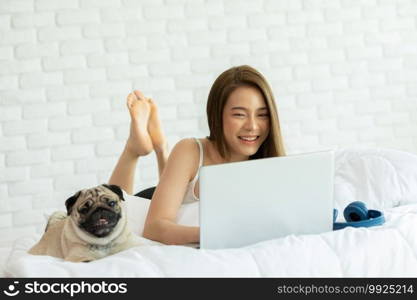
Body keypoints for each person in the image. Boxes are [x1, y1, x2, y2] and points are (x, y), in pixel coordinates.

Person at [108, 65, 286, 245]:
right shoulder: (191, 150)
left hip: (174, 195)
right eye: (240, 115)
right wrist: (214, 234)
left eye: (262, 115)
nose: (253, 126)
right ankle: (133, 149)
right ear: (217, 115)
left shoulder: (271, 165)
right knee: (116, 208)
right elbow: (154, 228)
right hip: (152, 201)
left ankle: (161, 146)